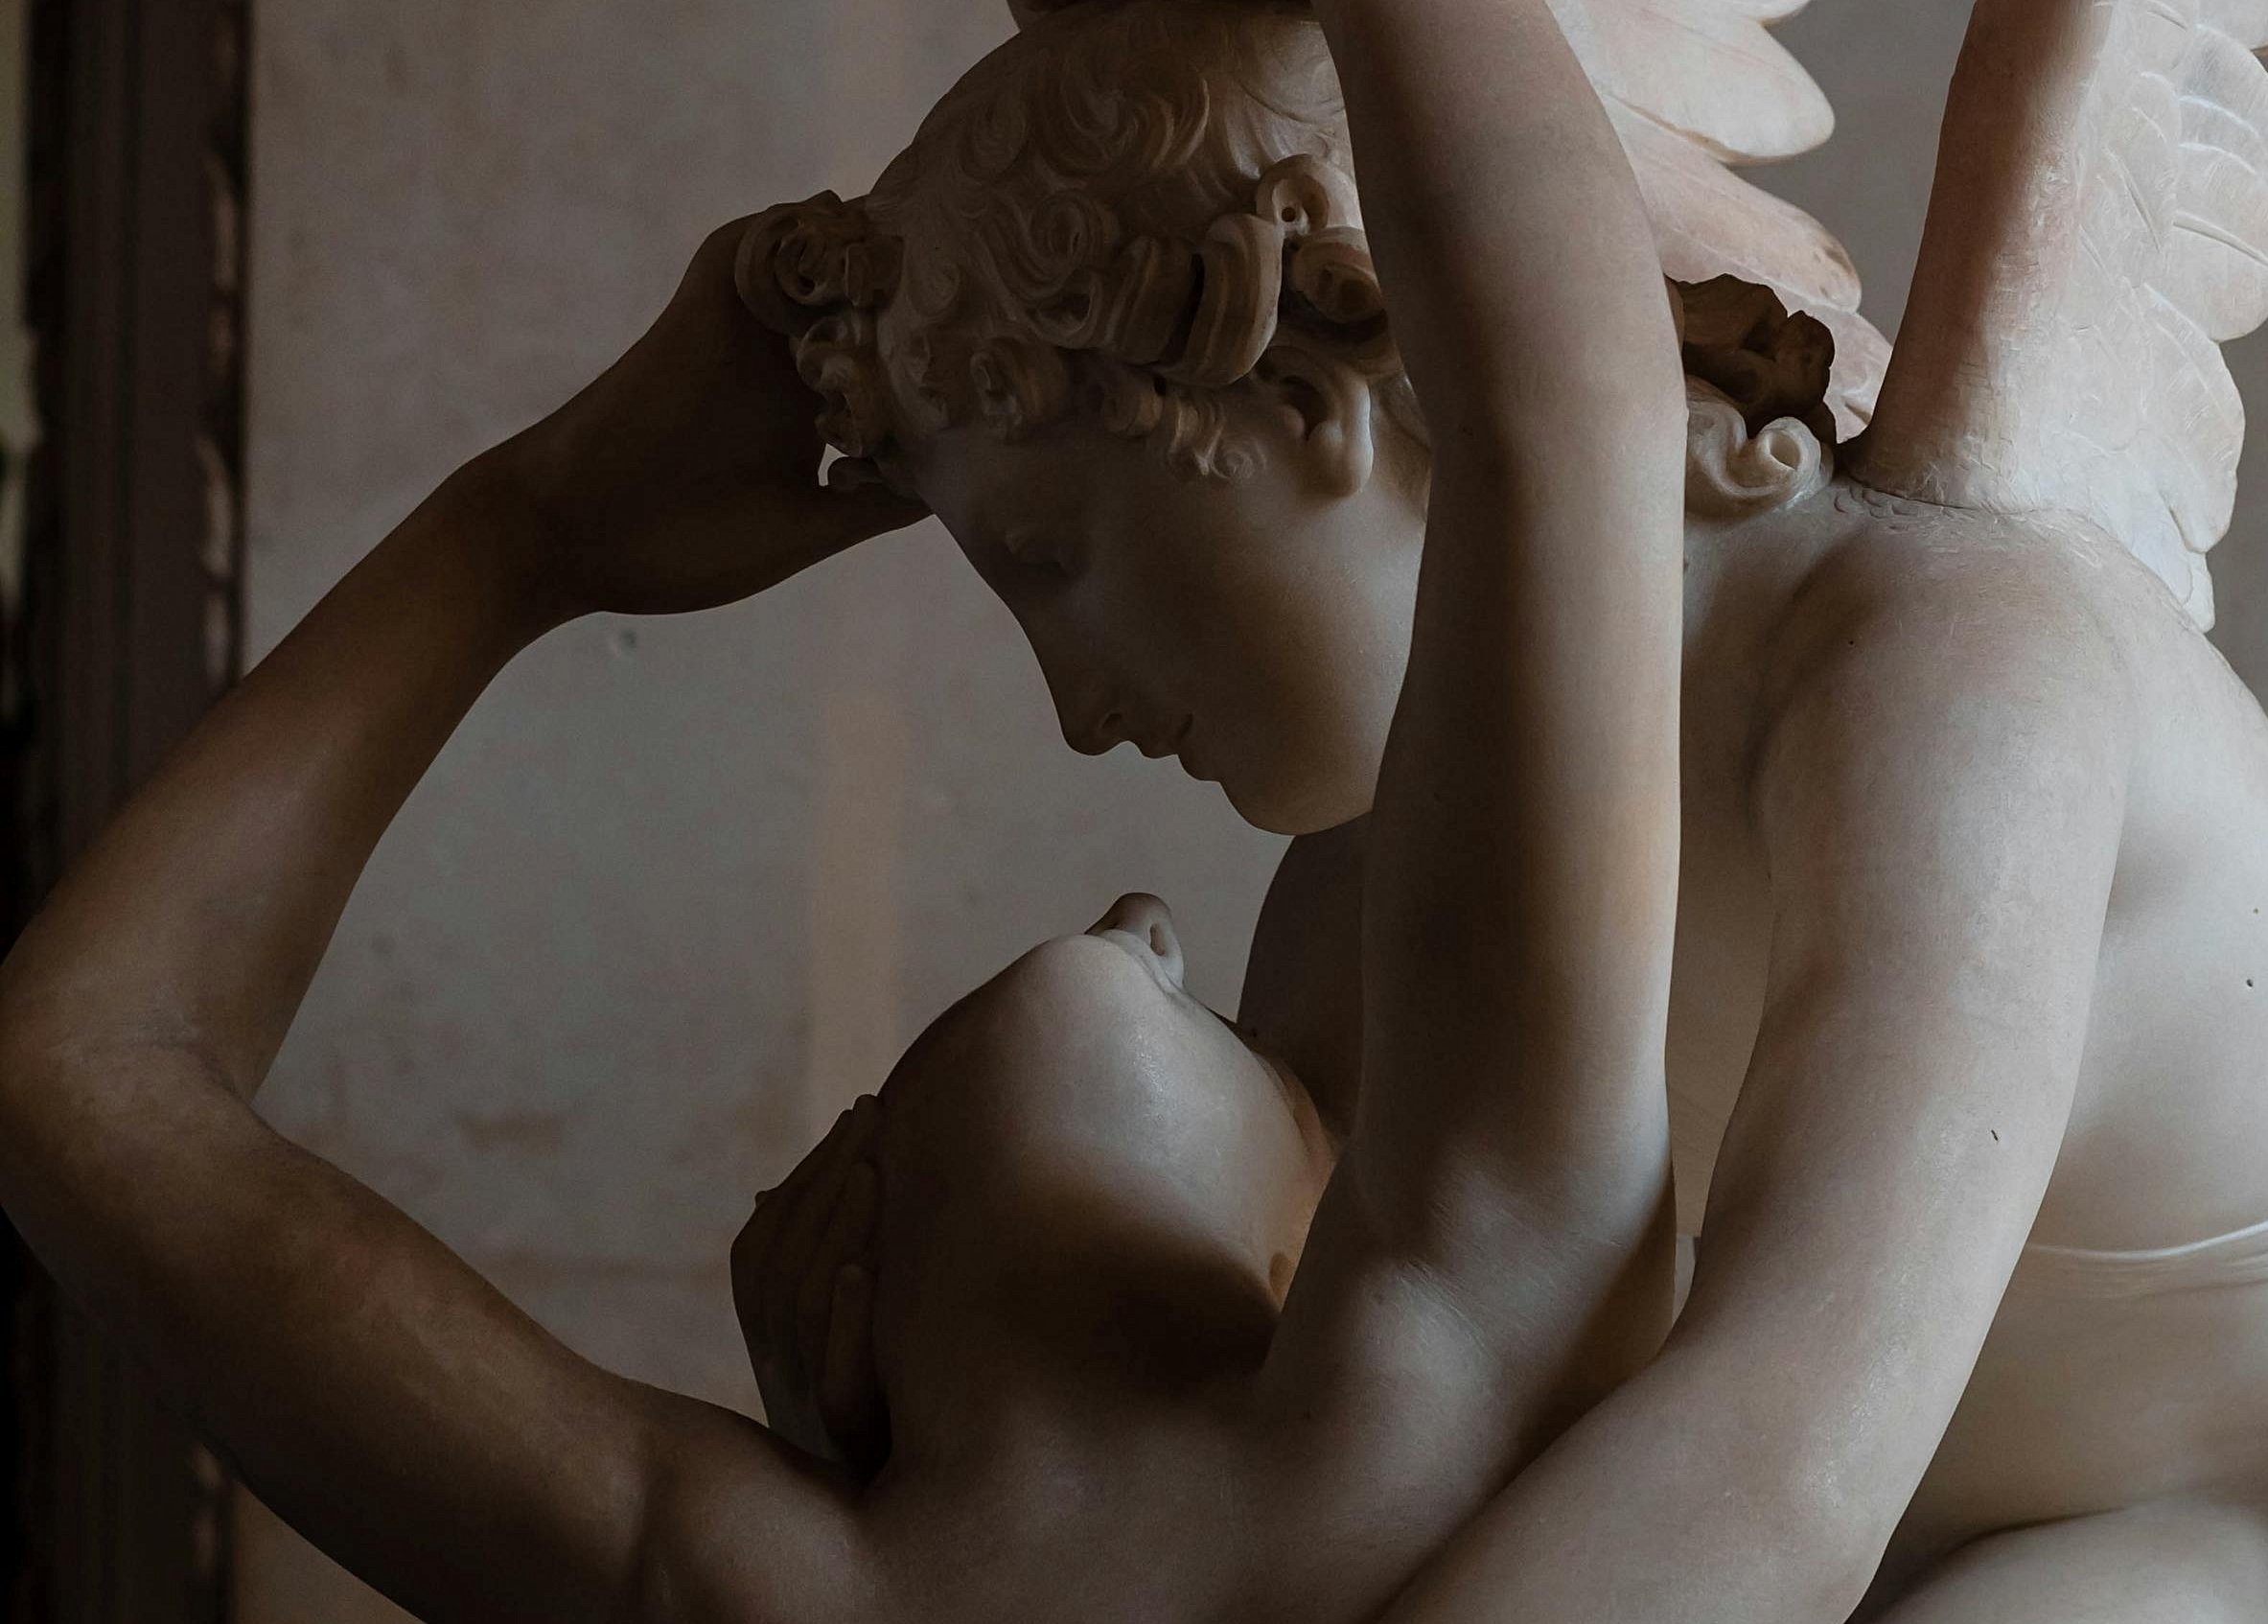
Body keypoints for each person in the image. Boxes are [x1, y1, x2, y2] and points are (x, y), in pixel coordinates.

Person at [733, 0, 2268, 1617]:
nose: (1078, 708)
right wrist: (934, 1422)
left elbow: (1785, 1466)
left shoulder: (1944, 679)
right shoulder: (1362, 887)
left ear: (1319, 397)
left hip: (2189, 1514)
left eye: (1056, 558)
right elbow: (1341, 1452)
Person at [0, 0, 1689, 1615]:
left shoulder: (742, 1573)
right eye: (1203, 1019)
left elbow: (80, 1079)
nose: (1150, 921)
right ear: (1288, 1253)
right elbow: (1569, 405)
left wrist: (527, 534)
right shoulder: (1404, 1393)